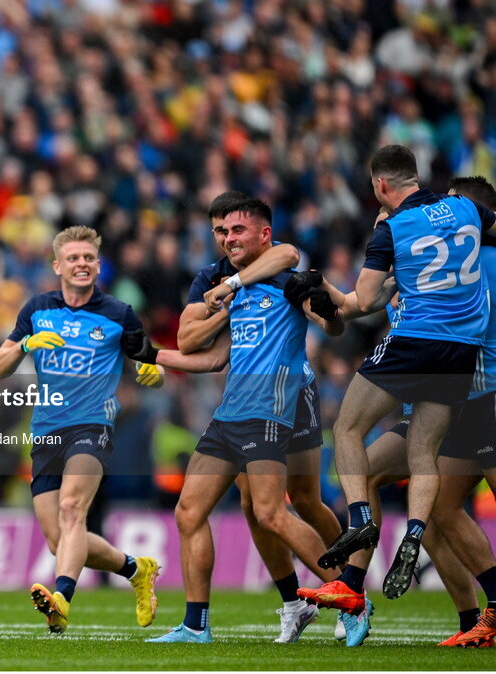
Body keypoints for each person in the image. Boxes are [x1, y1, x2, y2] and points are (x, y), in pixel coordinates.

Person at [146, 199, 343, 644]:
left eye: (236, 230)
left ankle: (349, 587)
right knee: (241, 506)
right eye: (219, 231)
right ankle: (286, 604)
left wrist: (233, 284)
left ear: (262, 233)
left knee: (302, 501)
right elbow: (191, 339)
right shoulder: (210, 277)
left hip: (292, 393)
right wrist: (222, 306)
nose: (227, 239)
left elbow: (290, 255)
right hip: (240, 402)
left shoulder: (281, 269)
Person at [309, 146, 496, 602]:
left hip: (442, 364)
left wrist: (381, 253)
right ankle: (407, 540)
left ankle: (361, 523)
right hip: (459, 361)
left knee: (348, 428)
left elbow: (366, 302)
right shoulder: (466, 213)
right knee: (425, 472)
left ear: (381, 186)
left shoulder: (393, 231)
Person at [0, 226, 162, 634]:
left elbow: (149, 360)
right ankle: (136, 569)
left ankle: (62, 599)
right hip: (46, 429)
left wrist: (151, 371)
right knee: (61, 541)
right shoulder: (36, 309)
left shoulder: (119, 313)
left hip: (92, 426)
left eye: (88, 258)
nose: (81, 264)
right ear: (57, 266)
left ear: (98, 266)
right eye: (73, 258)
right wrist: (26, 346)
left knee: (72, 509)